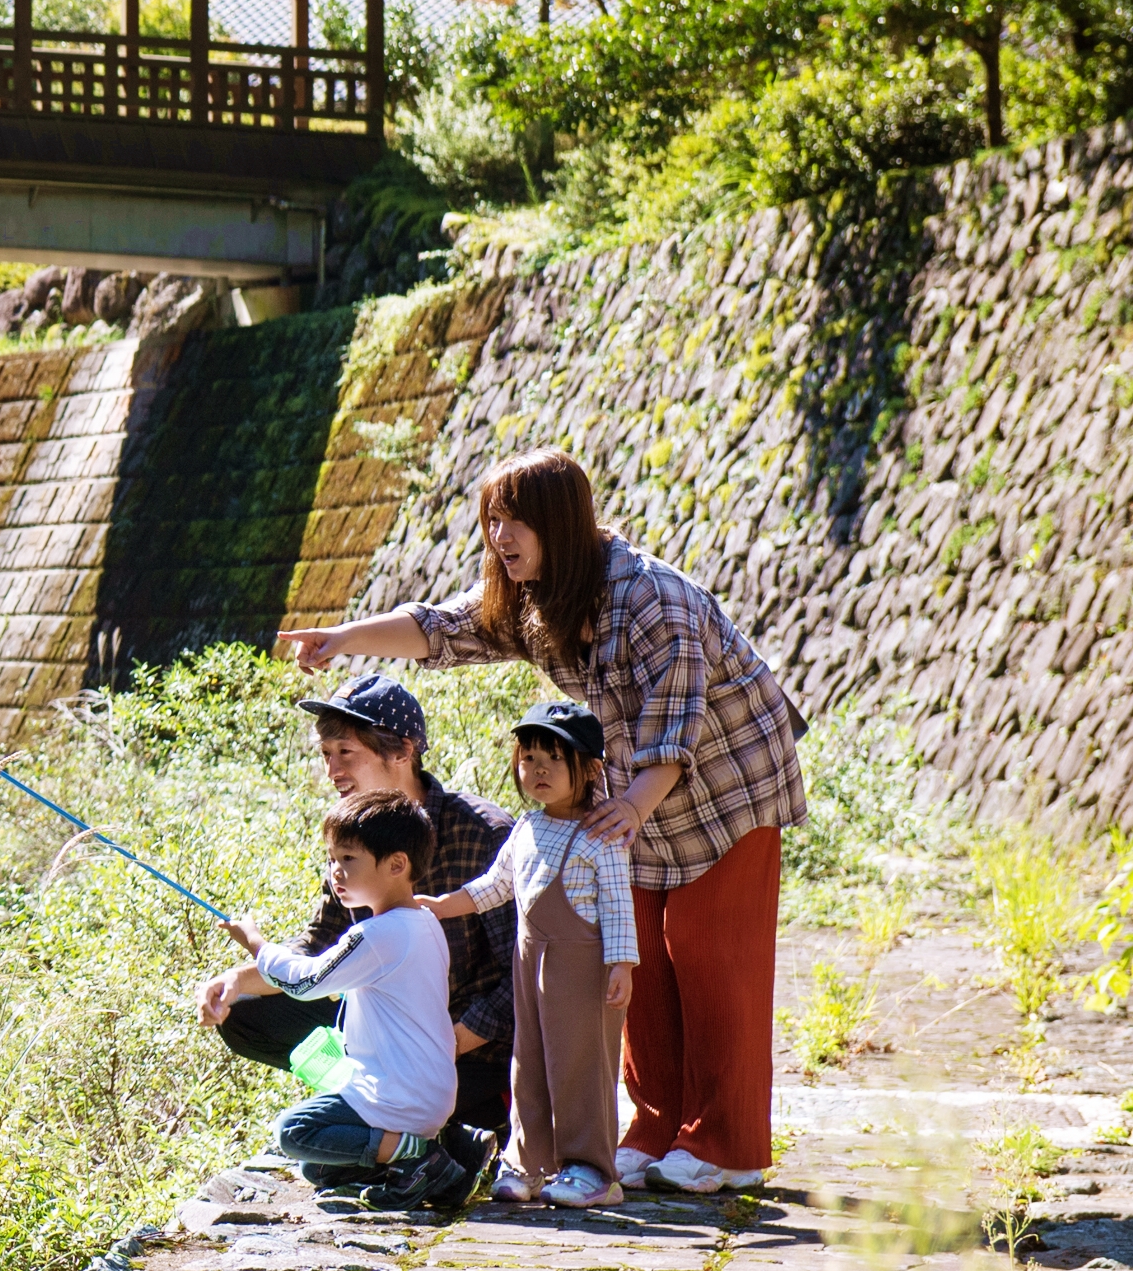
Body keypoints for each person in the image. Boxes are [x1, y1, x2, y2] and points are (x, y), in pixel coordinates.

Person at [286, 446, 807, 1195]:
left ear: (558, 522)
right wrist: (343, 638)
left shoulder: (653, 598)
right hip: (630, 800)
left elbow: (675, 727)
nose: (499, 535)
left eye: (514, 519)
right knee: (636, 965)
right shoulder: (533, 599)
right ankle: (655, 1126)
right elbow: (441, 628)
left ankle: (726, 1143)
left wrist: (628, 804)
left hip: (725, 787)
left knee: (705, 949)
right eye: (490, 519)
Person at [191, 673, 517, 1148]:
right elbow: (318, 950)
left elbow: (523, 972)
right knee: (245, 1014)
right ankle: (375, 1115)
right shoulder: (351, 840)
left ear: (403, 751)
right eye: (326, 755)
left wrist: (448, 1042)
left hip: (469, 1055)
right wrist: (237, 978)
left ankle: (428, 1128)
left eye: (346, 753)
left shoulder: (483, 832)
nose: (333, 771)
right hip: (386, 1045)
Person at [421, 699, 636, 1209]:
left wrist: (623, 964)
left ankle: (593, 1171)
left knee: (580, 1065)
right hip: (530, 966)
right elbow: (495, 887)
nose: (538, 771)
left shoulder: (601, 835)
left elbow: (619, 905)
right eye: (528, 759)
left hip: (584, 970)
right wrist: (440, 906)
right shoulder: (525, 828)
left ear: (587, 769)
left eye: (553, 760)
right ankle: (530, 1163)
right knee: (529, 1062)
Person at [219, 790, 470, 1210]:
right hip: (428, 1092)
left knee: (294, 1134)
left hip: (397, 1093)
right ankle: (423, 1161)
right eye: (332, 859)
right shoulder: (424, 923)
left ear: (396, 865)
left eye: (348, 860)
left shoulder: (376, 935)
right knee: (318, 1168)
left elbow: (305, 982)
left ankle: (424, 1159)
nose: (336, 872)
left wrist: (257, 943)